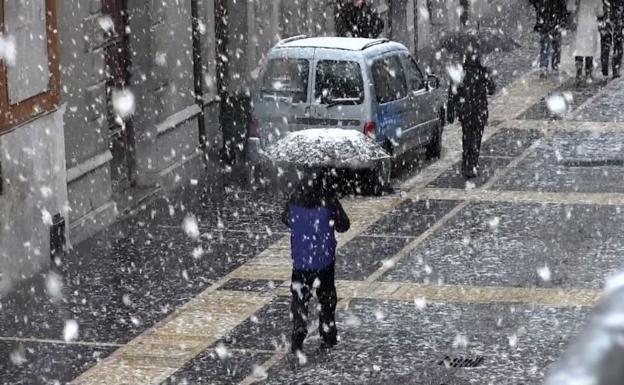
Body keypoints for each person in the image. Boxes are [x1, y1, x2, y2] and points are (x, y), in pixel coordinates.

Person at [281, 169, 350, 353]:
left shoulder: (295, 197)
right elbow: (345, 225)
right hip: (324, 259)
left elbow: (286, 219)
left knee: (299, 297)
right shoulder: (329, 199)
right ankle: (328, 334)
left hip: (301, 258)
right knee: (327, 297)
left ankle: (299, 330)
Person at [447, 52, 496, 178]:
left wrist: (451, 110)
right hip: (479, 111)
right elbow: (492, 90)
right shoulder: (482, 72)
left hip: (465, 112)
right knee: (476, 139)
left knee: (467, 137)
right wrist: (488, 75)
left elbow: (452, 93)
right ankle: (472, 163)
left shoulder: (461, 73)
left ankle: (466, 163)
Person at [568, 0, 604, 83]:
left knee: (579, 50)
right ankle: (588, 73)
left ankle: (579, 72)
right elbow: (600, 12)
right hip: (591, 25)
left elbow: (570, 7)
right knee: (589, 51)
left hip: (579, 24)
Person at [530, 0, 568, 75]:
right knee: (553, 41)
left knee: (547, 42)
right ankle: (553, 65)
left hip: (547, 14)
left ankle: (546, 66)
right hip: (553, 14)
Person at [599, 0, 624, 78]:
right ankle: (613, 70)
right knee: (617, 43)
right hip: (613, 15)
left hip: (609, 15)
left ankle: (606, 71)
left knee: (607, 43)